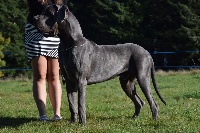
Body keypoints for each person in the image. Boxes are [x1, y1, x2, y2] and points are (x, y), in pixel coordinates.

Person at [24, 0, 67, 121]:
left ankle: (57, 114)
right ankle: (43, 115)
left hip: (55, 34)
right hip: (36, 32)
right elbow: (35, 13)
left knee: (54, 75)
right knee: (40, 75)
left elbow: (64, 12)